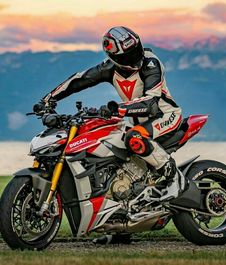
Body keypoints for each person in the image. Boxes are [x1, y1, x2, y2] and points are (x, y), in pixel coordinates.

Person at [34, 26, 185, 201]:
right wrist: (47, 100)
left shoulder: (151, 64)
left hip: (165, 116)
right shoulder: (109, 69)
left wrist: (118, 108)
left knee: (134, 137)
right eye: (128, 55)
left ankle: (174, 177)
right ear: (114, 58)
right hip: (136, 121)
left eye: (136, 50)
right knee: (106, 138)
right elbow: (79, 80)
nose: (136, 57)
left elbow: (151, 102)